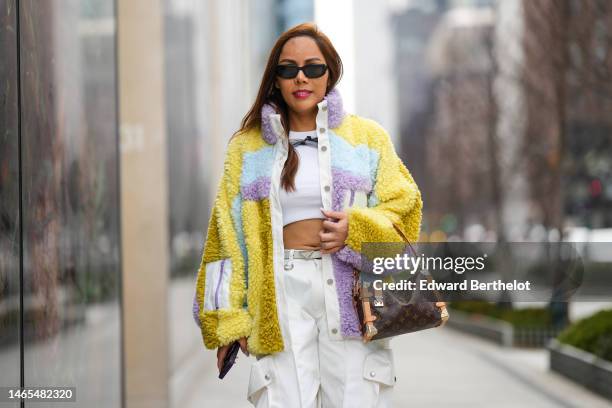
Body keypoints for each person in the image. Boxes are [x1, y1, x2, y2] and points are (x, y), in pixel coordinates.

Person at [192, 22, 431, 407]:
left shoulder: (366, 138)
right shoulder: (247, 147)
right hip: (280, 292)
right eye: (288, 69)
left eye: (312, 67)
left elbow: (406, 207)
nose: (300, 77)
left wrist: (357, 229)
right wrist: (226, 321)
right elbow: (225, 237)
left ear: (330, 73)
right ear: (275, 78)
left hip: (351, 292)